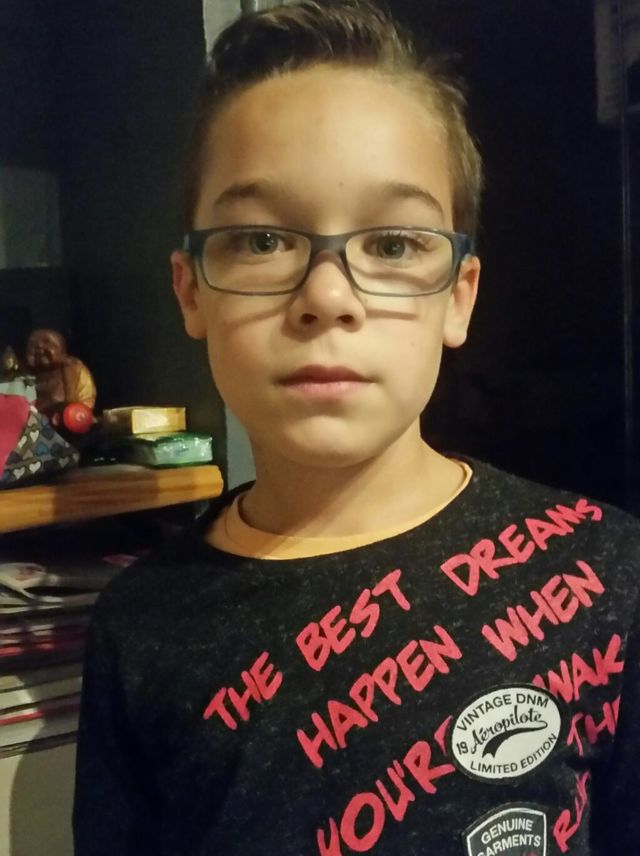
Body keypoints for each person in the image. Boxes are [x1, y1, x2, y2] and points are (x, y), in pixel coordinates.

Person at [72, 1, 640, 854]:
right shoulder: (141, 626)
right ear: (191, 290)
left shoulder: (603, 576)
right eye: (261, 239)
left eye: (395, 244)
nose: (327, 296)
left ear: (459, 296)